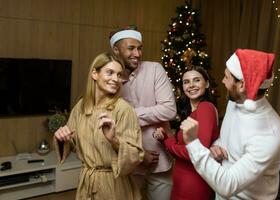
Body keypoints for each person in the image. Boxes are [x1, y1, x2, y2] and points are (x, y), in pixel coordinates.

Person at [181, 49, 280, 200]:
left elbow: (228, 185)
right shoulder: (236, 102)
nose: (223, 81)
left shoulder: (270, 135)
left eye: (226, 77)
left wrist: (192, 142)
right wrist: (216, 145)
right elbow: (228, 137)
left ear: (242, 85)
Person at [53, 52, 144, 200]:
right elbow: (73, 143)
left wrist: (113, 140)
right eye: (110, 73)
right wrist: (62, 138)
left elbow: (136, 155)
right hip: (87, 182)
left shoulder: (123, 109)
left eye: (119, 75)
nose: (116, 79)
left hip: (114, 186)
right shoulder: (81, 107)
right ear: (94, 74)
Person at [109, 25, 177, 200]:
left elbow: (169, 110)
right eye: (131, 48)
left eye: (139, 48)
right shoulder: (110, 78)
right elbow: (110, 122)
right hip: (128, 162)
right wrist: (139, 156)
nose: (137, 54)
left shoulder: (155, 69)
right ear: (116, 50)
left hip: (160, 159)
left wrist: (128, 115)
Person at [153, 65, 219, 200]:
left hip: (194, 185)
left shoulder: (205, 107)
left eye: (196, 80)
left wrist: (168, 142)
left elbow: (197, 152)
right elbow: (184, 148)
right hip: (182, 184)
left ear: (206, 84)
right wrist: (164, 138)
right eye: (186, 82)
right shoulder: (191, 113)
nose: (191, 85)